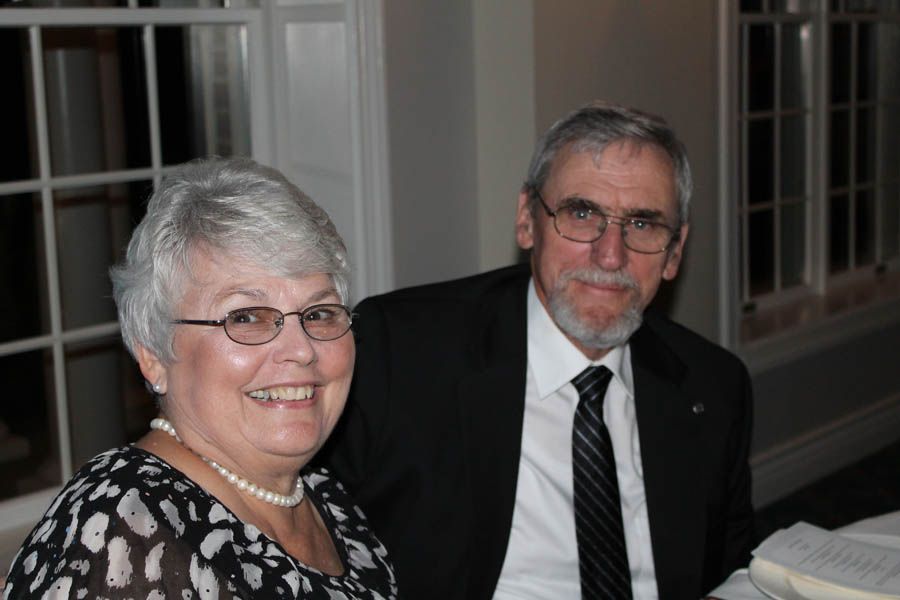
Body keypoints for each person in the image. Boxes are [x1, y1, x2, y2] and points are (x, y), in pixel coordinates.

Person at [320, 102, 754, 599]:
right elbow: (305, 538)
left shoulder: (714, 387)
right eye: (582, 213)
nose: (611, 255)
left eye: (642, 224)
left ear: (675, 252)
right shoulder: (401, 353)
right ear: (527, 220)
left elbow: (729, 577)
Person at [2, 158, 397, 599]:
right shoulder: (129, 528)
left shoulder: (325, 496)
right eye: (246, 317)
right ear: (152, 353)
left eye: (319, 313)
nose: (302, 349)